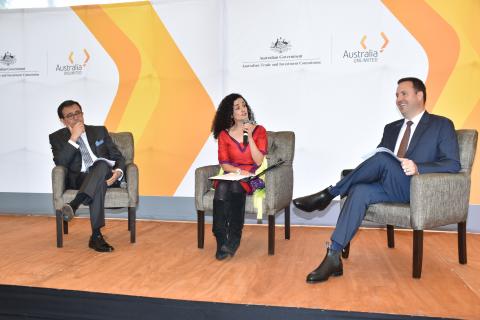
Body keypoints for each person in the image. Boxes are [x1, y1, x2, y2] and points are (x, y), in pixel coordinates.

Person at [293, 77, 460, 283]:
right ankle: (333, 256)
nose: (399, 99)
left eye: (404, 93)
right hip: (389, 186)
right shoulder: (391, 127)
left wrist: (419, 167)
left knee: (380, 159)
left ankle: (328, 194)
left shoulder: (441, 125)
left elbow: (452, 164)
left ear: (420, 95)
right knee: (360, 189)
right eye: (396, 95)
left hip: (418, 189)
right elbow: (380, 162)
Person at [49, 100, 125, 252]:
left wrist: (118, 172)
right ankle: (96, 236)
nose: (76, 118)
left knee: (102, 165)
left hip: (108, 176)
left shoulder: (99, 131)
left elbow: (118, 157)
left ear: (82, 114)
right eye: (70, 116)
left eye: (78, 113)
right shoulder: (56, 138)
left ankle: (75, 203)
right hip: (80, 179)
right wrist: (73, 138)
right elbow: (61, 163)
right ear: (63, 121)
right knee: (99, 182)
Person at [210, 93, 268, 260]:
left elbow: (258, 160)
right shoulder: (224, 135)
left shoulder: (259, 131)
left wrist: (249, 136)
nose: (243, 109)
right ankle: (221, 238)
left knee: (236, 186)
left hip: (253, 176)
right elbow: (224, 163)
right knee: (221, 186)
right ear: (231, 114)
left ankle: (234, 237)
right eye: (238, 107)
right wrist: (237, 171)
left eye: (244, 105)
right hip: (232, 174)